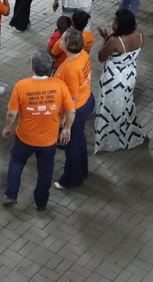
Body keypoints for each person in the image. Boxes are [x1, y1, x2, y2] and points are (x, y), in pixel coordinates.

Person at [2, 51, 75, 211]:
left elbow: (11, 113)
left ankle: (11, 195)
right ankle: (41, 202)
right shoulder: (59, 85)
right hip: (48, 139)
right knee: (45, 170)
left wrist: (8, 127)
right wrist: (67, 129)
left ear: (32, 68)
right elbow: (71, 110)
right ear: (49, 68)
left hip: (25, 137)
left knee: (17, 162)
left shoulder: (21, 86)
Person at [94, 9, 147, 152]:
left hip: (114, 78)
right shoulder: (140, 34)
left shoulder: (114, 41)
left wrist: (105, 38)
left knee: (111, 108)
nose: (112, 24)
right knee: (126, 104)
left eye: (115, 22)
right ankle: (128, 130)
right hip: (130, 75)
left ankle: (111, 139)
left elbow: (101, 57)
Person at [52, 29, 95, 190]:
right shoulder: (83, 54)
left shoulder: (70, 68)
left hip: (76, 109)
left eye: (62, 38)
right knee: (79, 141)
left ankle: (70, 179)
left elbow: (72, 99)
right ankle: (82, 170)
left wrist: (65, 124)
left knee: (70, 145)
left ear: (68, 45)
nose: (59, 40)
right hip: (87, 100)